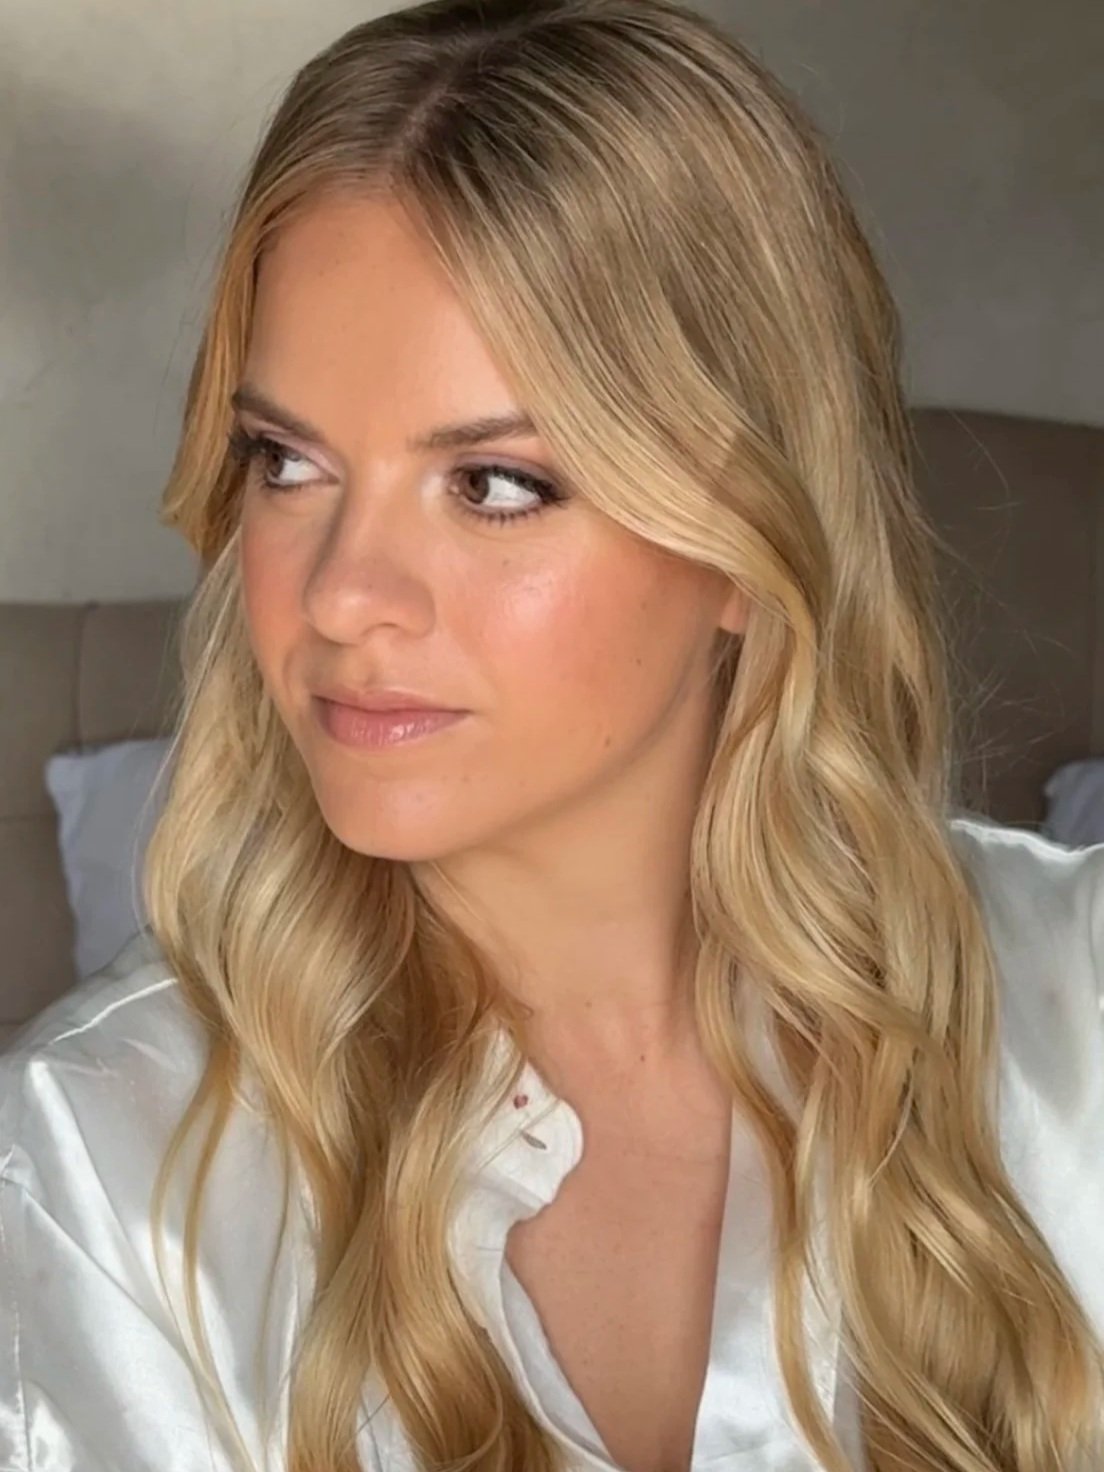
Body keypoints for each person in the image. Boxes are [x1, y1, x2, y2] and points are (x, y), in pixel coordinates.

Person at [1, 1, 1102, 1469]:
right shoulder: (100, 1160)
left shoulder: (1072, 1019)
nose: (341, 596)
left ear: (741, 537)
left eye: (497, 485)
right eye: (287, 462)